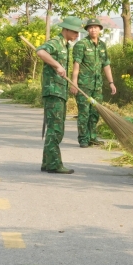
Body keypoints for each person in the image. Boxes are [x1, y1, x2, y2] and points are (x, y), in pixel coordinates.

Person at [35, 16, 85, 174]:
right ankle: (54, 164)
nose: (77, 35)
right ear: (67, 29)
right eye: (75, 32)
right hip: (53, 91)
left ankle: (47, 162)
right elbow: (40, 51)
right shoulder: (56, 42)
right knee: (56, 129)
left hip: (60, 91)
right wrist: (57, 65)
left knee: (55, 127)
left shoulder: (66, 45)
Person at [71, 18, 117, 148]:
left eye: (96, 27)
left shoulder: (102, 45)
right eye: (90, 27)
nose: (93, 29)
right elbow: (76, 64)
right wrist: (74, 83)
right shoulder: (82, 44)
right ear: (87, 30)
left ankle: (92, 137)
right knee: (84, 112)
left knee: (95, 112)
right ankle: (83, 139)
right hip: (84, 85)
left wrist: (111, 83)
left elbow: (106, 65)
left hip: (97, 85)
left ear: (100, 29)